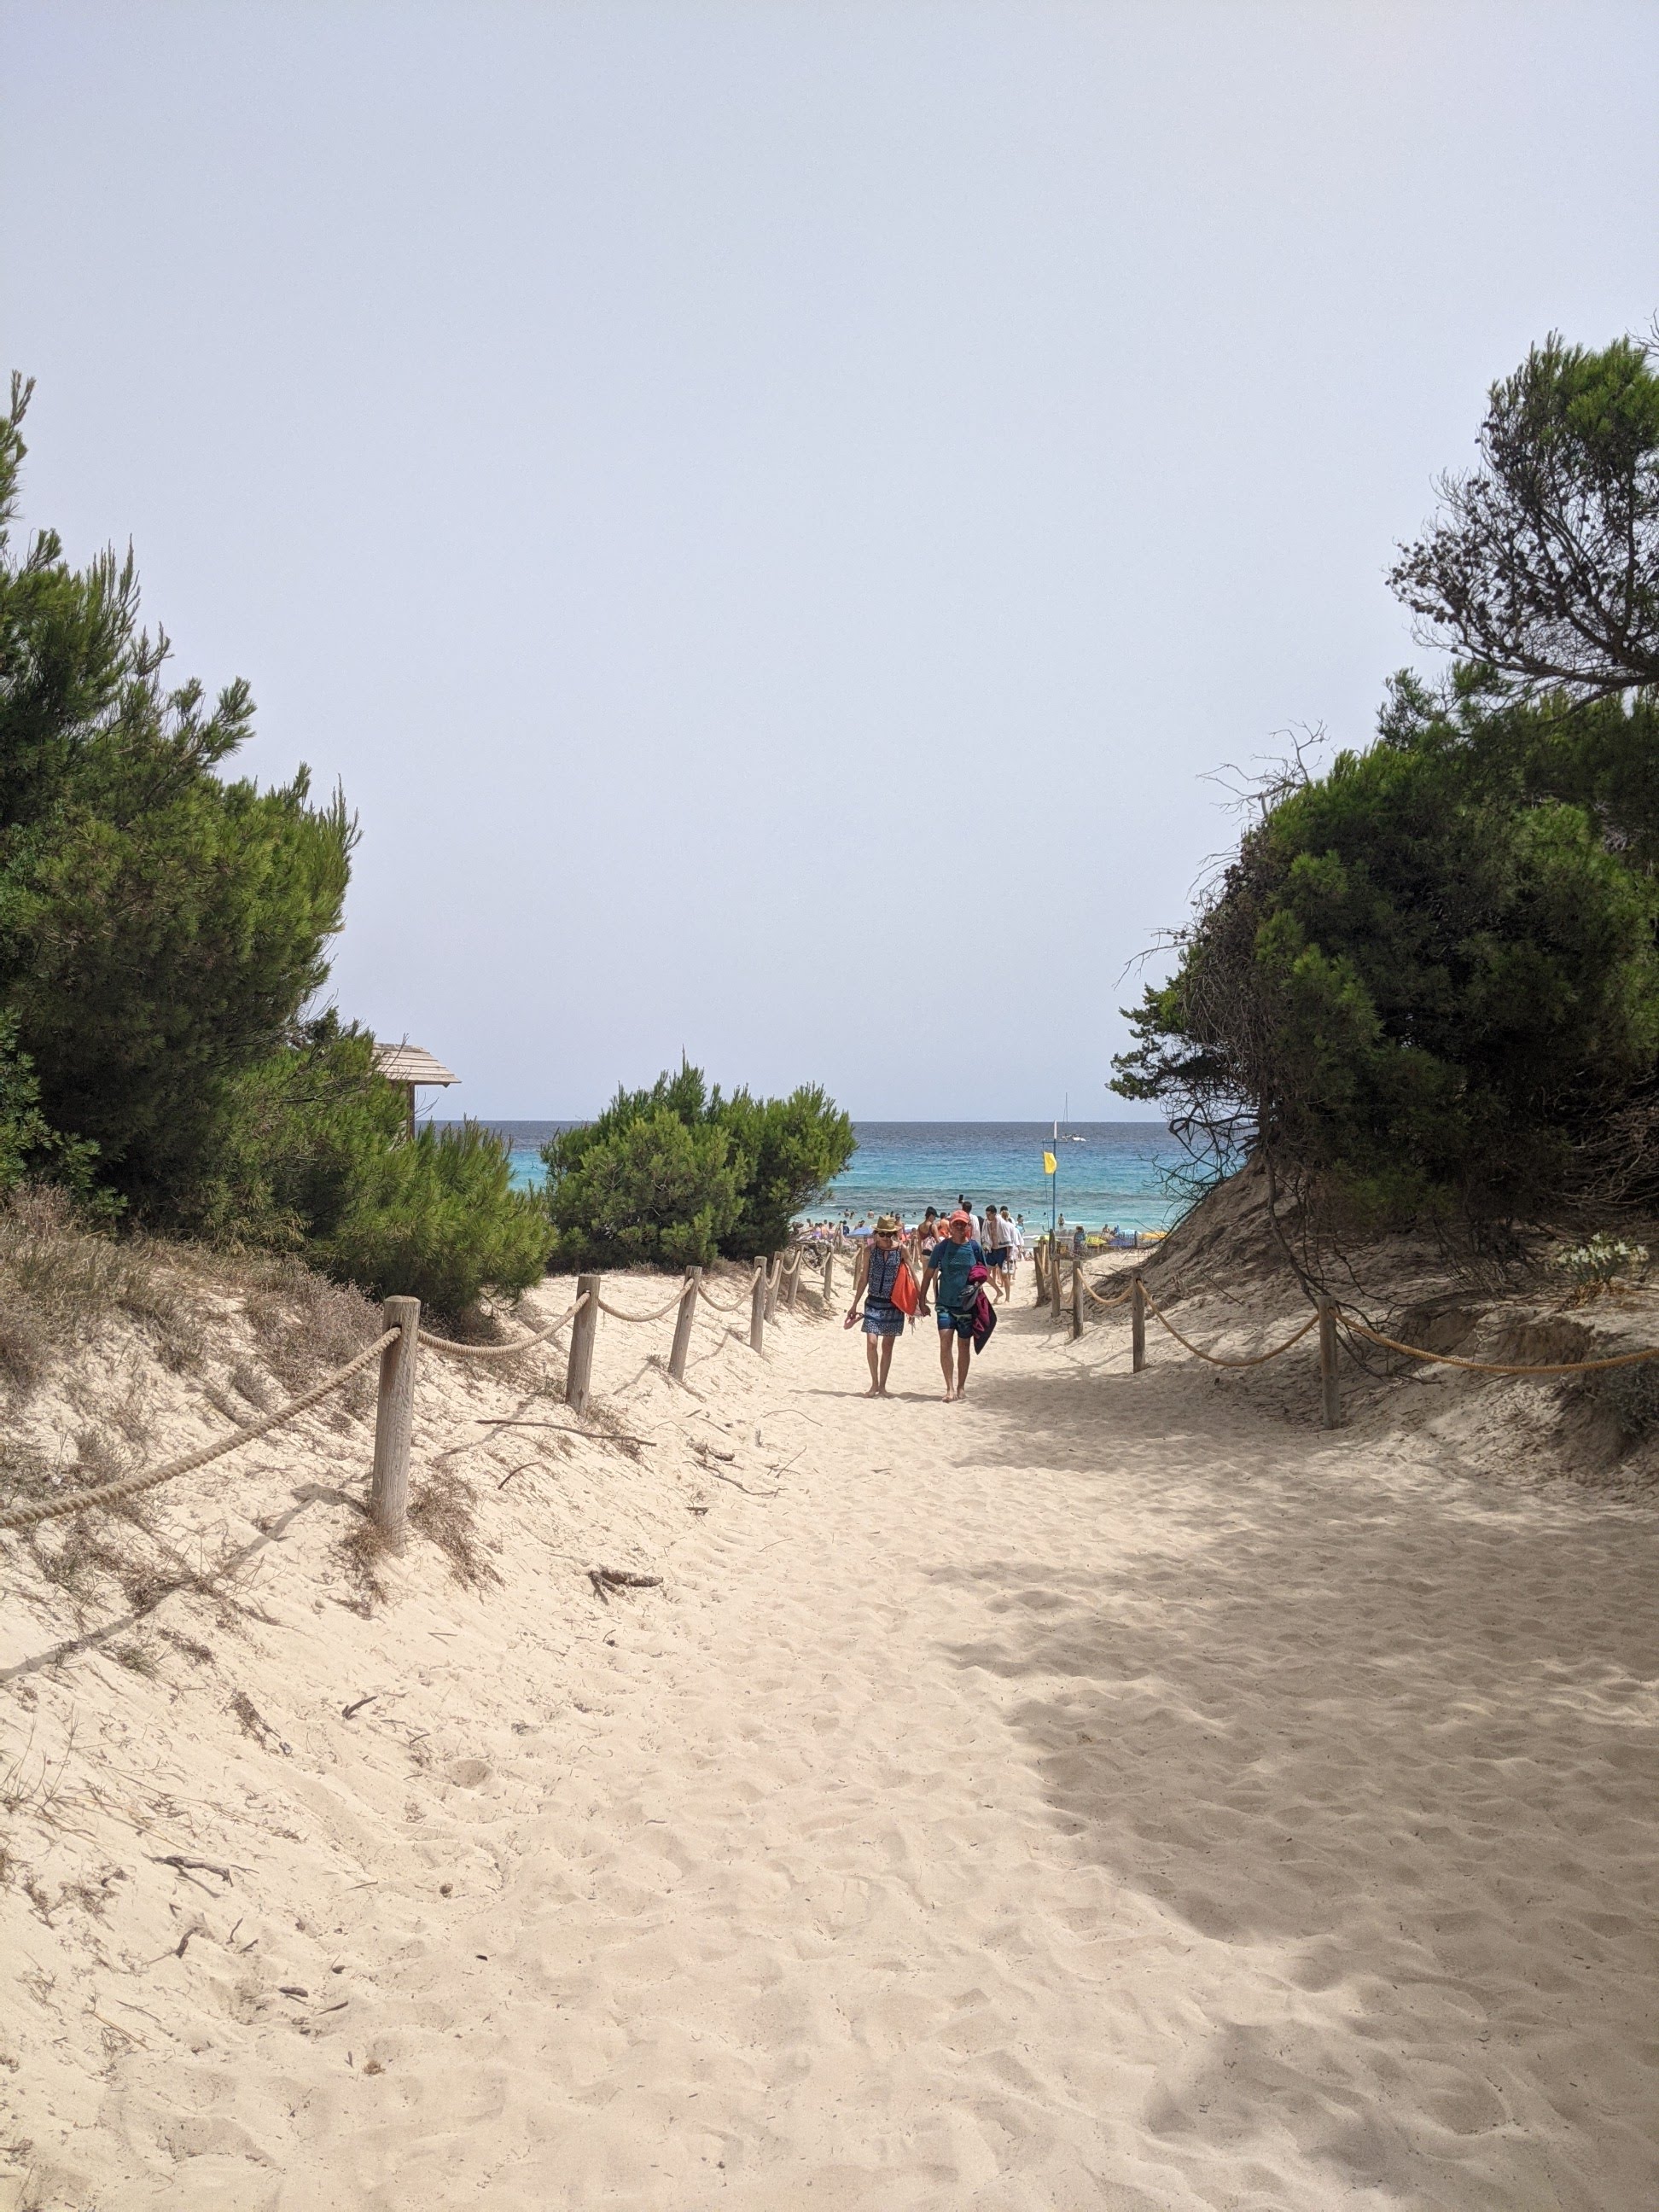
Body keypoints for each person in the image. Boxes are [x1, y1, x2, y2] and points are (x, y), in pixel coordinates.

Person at [919, 1209, 987, 1401]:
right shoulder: (942, 1248)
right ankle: (949, 1388)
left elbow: (982, 1273)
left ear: (968, 1227)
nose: (959, 1226)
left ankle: (961, 1387)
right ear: (950, 1225)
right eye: (956, 1223)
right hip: (945, 1305)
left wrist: (977, 1289)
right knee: (945, 1343)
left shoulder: (974, 1248)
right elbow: (928, 1274)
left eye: (962, 1224)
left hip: (967, 1306)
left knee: (964, 1346)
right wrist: (922, 1300)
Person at [846, 1214, 914, 1396]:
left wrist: (918, 1302)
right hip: (873, 1302)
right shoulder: (870, 1251)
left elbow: (913, 1276)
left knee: (888, 1346)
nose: (885, 1237)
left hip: (894, 1304)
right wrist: (854, 1304)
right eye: (882, 1234)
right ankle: (874, 1384)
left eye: (889, 1234)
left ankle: (882, 1385)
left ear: (894, 1234)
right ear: (876, 1233)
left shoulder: (902, 1250)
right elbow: (863, 1278)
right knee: (871, 1343)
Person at [982, 1204, 1011, 1300]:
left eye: (989, 1215)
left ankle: (1007, 1297)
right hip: (992, 1250)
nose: (987, 1217)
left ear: (994, 1214)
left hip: (1002, 1250)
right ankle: (998, 1291)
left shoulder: (1002, 1224)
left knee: (1004, 1275)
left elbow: (1008, 1240)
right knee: (985, 1274)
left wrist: (1008, 1255)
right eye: (986, 1215)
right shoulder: (987, 1223)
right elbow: (986, 1236)